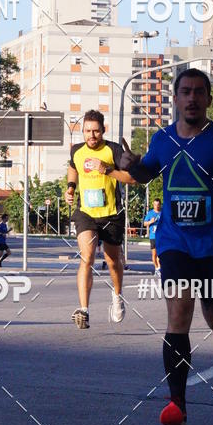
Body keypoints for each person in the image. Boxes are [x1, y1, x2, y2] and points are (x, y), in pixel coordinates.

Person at [121, 69, 213, 425]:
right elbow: (145, 174)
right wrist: (131, 166)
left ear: (208, 100)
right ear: (175, 99)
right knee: (179, 313)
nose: (192, 98)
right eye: (185, 92)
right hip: (175, 243)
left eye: (199, 93)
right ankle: (177, 404)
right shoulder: (163, 139)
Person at [65, 110, 134, 330]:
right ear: (83, 131)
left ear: (104, 130)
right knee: (87, 257)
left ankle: (117, 295)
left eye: (96, 131)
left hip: (112, 214)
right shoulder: (77, 150)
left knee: (113, 261)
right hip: (86, 213)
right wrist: (70, 188)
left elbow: (131, 179)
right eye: (87, 131)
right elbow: (73, 167)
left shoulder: (113, 150)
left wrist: (107, 170)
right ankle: (84, 310)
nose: (91, 135)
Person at [143, 198, 162, 274]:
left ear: (160, 205)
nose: (156, 206)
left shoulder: (163, 213)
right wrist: (151, 221)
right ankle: (156, 268)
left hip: (161, 236)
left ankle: (159, 268)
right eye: (155, 205)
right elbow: (145, 224)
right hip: (153, 236)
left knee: (160, 254)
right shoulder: (150, 213)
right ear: (153, 205)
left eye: (158, 205)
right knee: (154, 254)